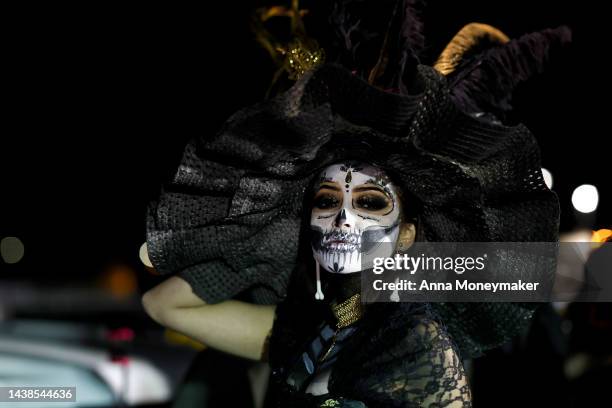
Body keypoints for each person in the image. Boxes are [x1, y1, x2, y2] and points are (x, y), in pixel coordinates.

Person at [143, 1, 569, 406]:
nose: (343, 217)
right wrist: (258, 246)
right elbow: (161, 305)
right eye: (326, 201)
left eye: (369, 202)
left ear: (407, 234)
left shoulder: (418, 342)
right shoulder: (313, 330)